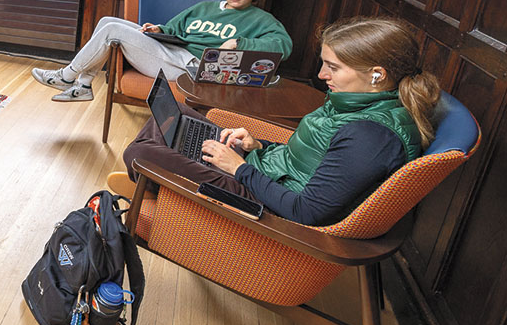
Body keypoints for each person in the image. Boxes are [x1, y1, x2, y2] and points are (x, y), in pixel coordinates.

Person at [108, 16, 442, 226]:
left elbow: (305, 212)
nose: (322, 74)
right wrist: (257, 145)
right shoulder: (358, 103)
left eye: (333, 67)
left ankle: (151, 184)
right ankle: (158, 183)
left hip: (263, 201)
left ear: (376, 74)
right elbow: (315, 157)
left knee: (142, 153)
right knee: (177, 117)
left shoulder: (372, 138)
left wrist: (239, 168)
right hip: (265, 170)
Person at [31, 0, 292, 101]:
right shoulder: (205, 7)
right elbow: (174, 28)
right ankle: (84, 85)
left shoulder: (261, 19)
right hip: (171, 50)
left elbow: (284, 47)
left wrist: (239, 42)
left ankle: (67, 77)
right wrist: (158, 29)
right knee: (107, 20)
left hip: (193, 67)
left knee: (112, 29)